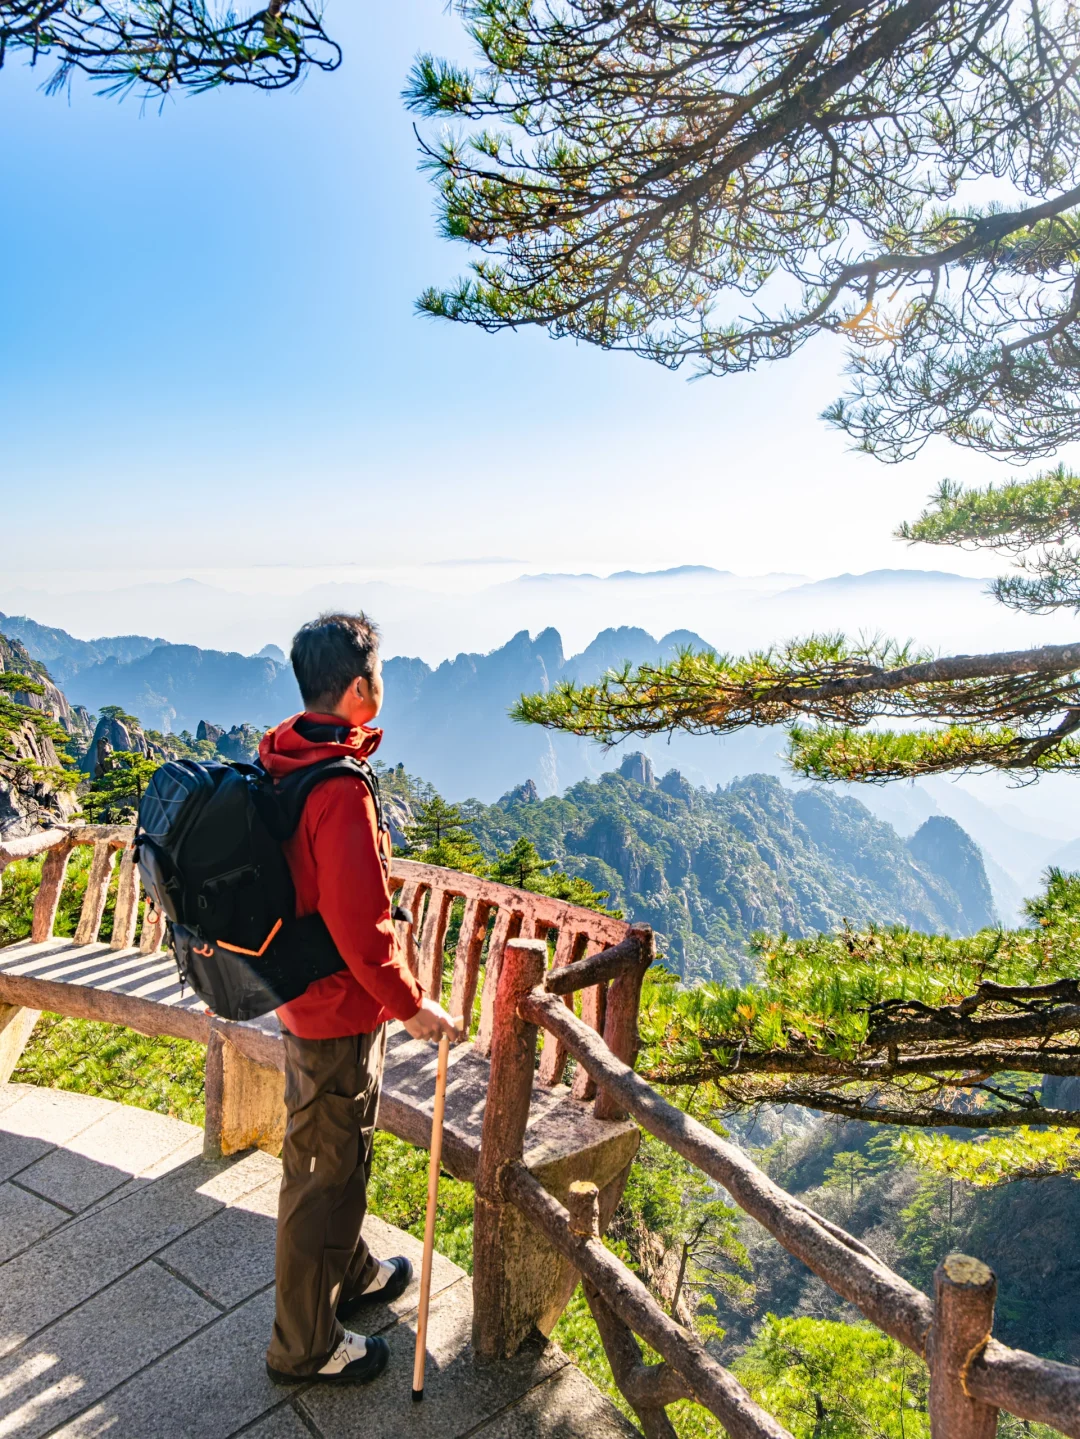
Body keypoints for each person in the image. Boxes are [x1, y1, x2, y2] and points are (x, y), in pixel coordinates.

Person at [261, 612, 460, 1387]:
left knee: (344, 1148)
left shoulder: (290, 755)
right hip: (333, 1008)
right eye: (379, 674)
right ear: (355, 688)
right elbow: (361, 924)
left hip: (320, 1000)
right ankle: (303, 1344)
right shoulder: (336, 788)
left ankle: (347, 1273)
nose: (384, 686)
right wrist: (412, 1005)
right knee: (319, 1169)